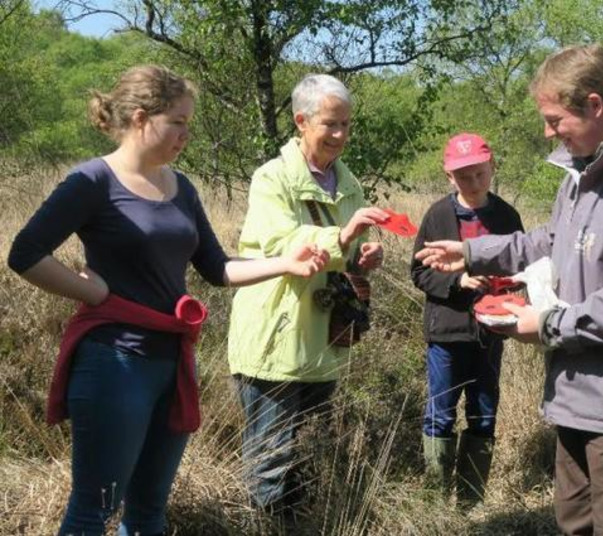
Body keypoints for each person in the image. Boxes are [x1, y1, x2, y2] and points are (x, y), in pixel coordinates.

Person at [6, 65, 330, 536]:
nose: (186, 134)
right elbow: (25, 253)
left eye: (188, 123)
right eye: (177, 122)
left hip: (173, 363)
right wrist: (90, 291)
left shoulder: (182, 188)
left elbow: (217, 268)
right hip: (114, 364)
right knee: (93, 510)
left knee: (149, 514)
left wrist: (286, 262)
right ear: (141, 118)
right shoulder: (92, 181)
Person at [416, 44, 603, 535]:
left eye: (554, 119)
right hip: (581, 395)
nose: (547, 132)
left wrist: (547, 325)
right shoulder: (586, 167)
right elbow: (552, 240)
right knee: (576, 524)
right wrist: (471, 253)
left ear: (594, 105)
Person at [226, 73, 387, 517]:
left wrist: (361, 256)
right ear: (302, 121)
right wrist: (345, 234)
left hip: (323, 342)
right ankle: (265, 527)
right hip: (276, 342)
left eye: (346, 125)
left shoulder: (347, 183)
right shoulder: (271, 178)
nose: (340, 134)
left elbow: (342, 255)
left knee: (306, 456)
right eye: (330, 124)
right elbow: (282, 242)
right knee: (270, 460)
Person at [411, 133, 524, 507]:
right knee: (440, 415)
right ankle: (435, 503)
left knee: (484, 414)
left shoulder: (507, 216)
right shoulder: (437, 215)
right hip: (447, 332)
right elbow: (420, 272)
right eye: (463, 177)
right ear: (449, 177)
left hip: (491, 332)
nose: (473, 183)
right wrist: (458, 280)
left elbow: (522, 266)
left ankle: (470, 505)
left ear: (492, 168)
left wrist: (505, 283)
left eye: (479, 174)